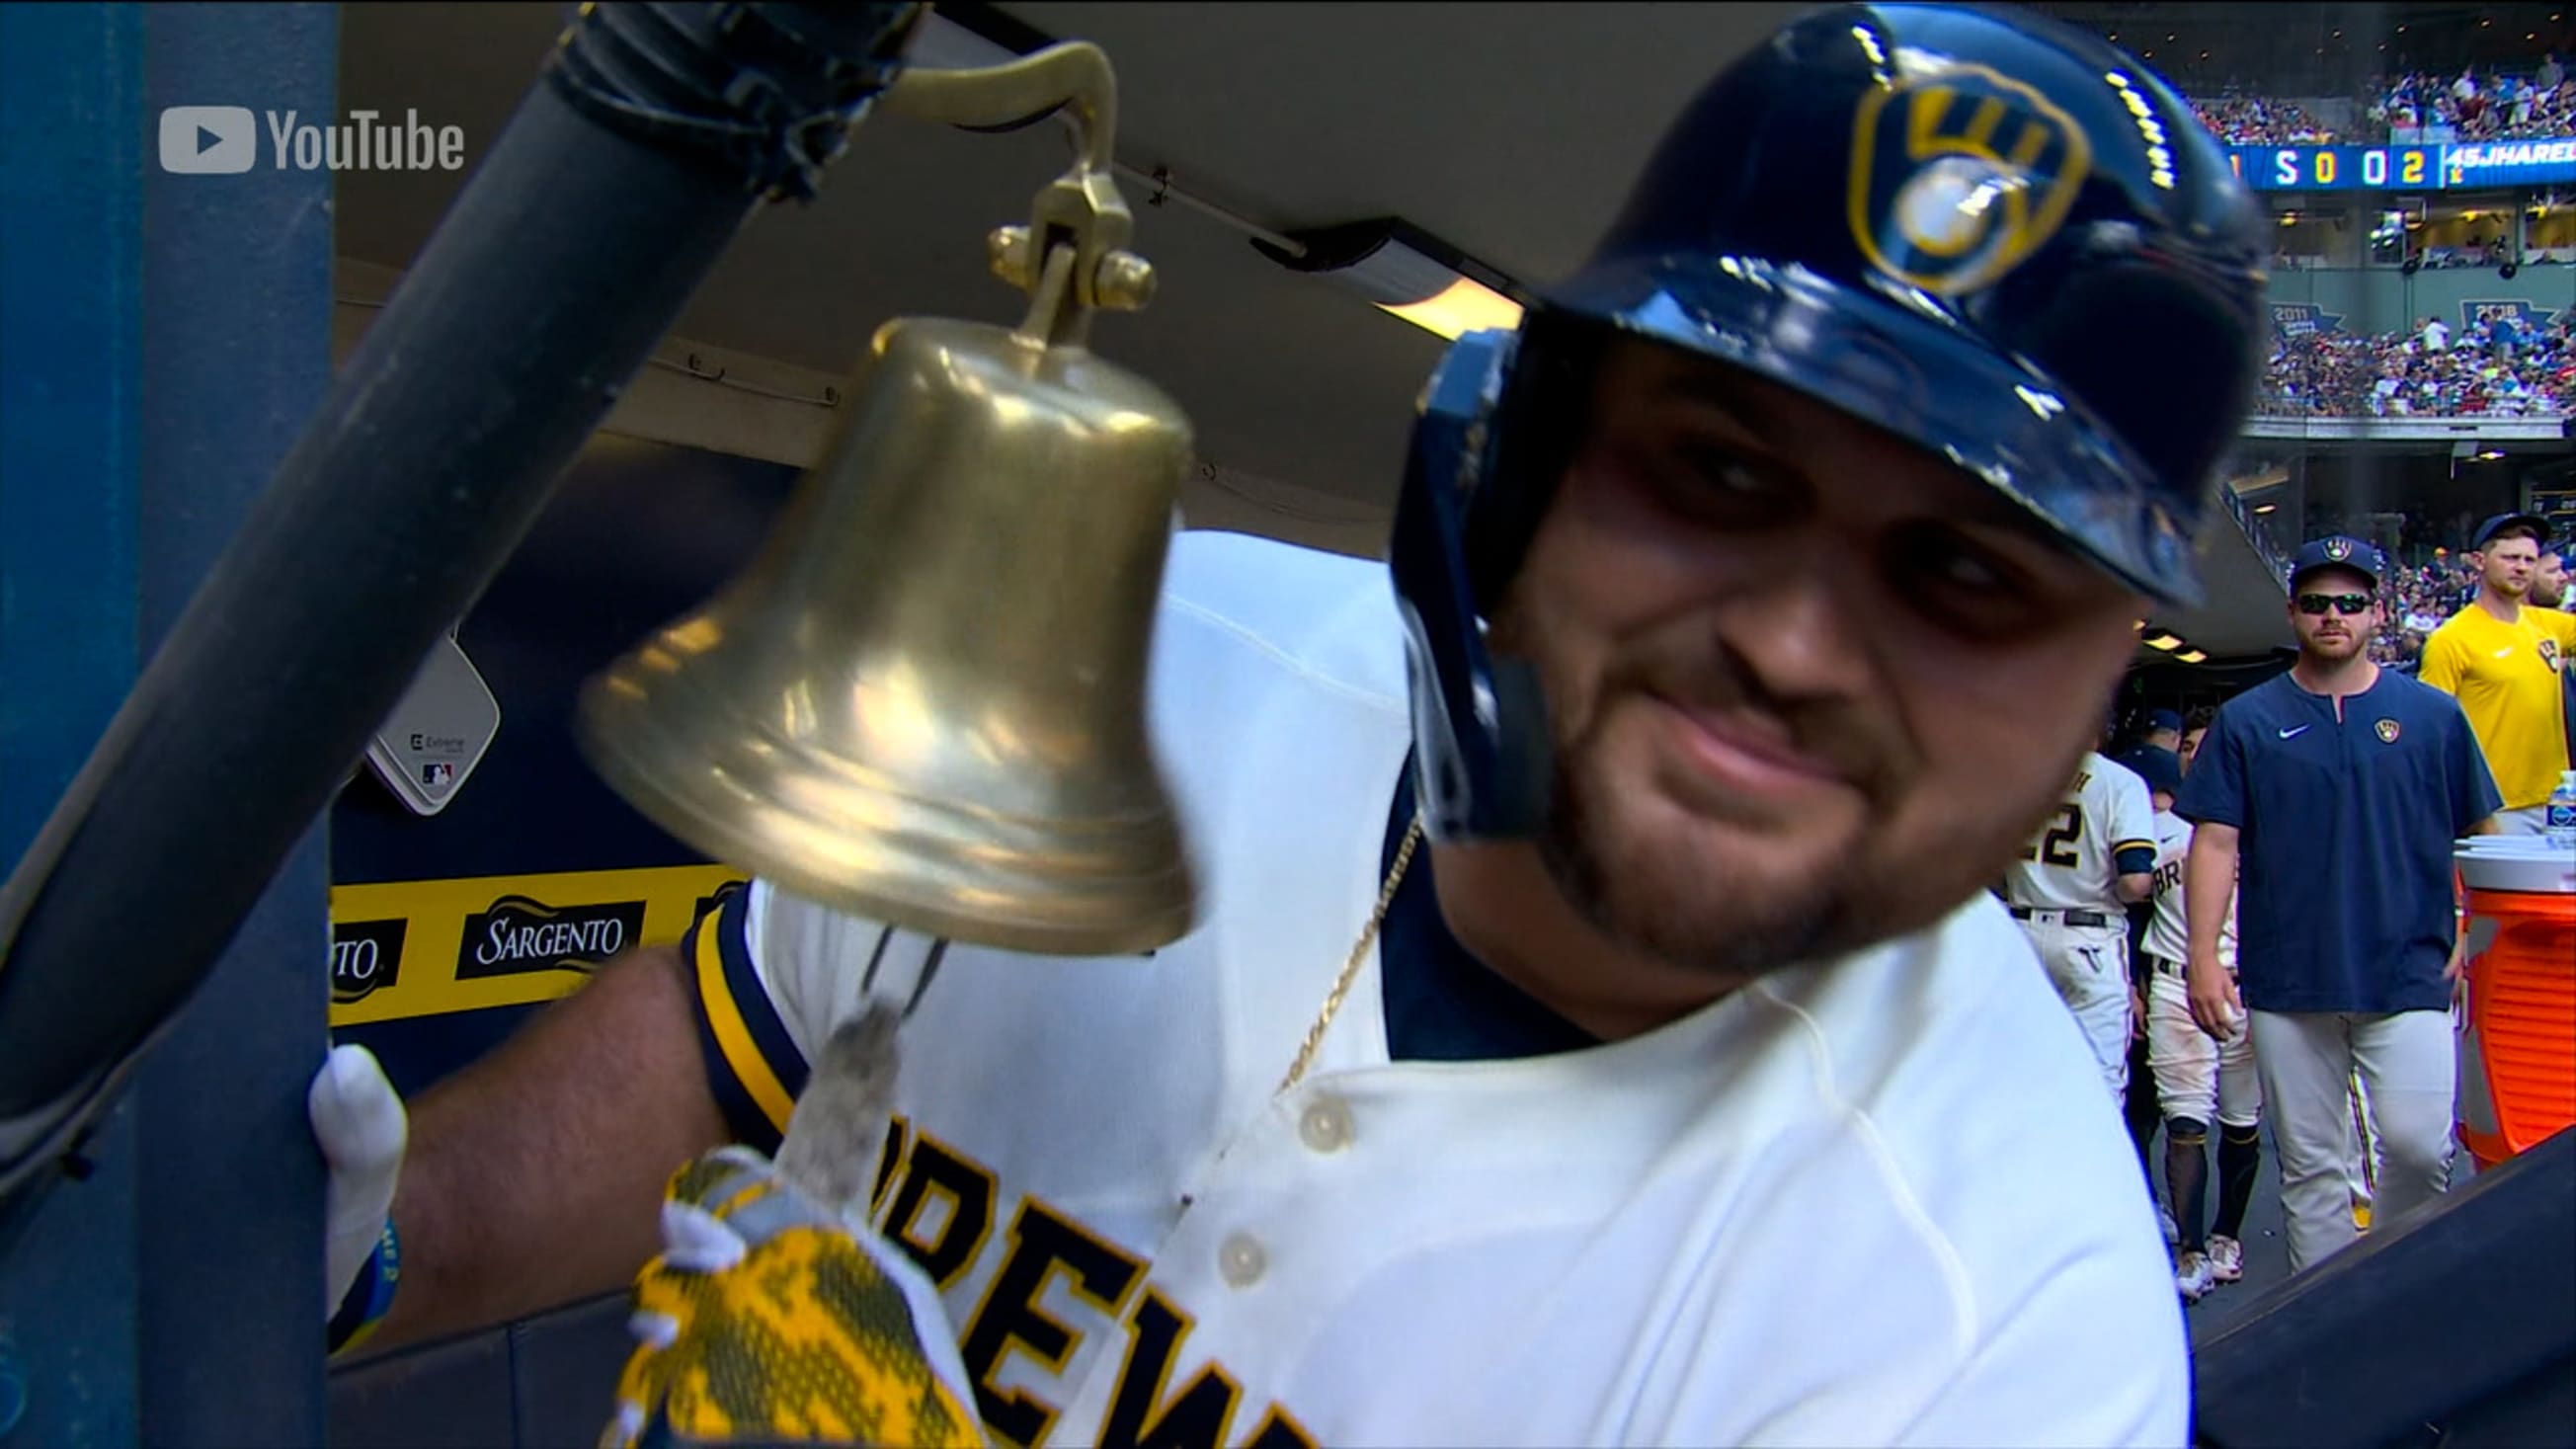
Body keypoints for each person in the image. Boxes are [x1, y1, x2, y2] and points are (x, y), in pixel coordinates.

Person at [307, 8, 2273, 1443]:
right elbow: (725, 1059)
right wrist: (346, 1257)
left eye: (1962, 580)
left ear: (2094, 682)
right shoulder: (1142, 665)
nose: (1790, 643)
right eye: (1719, 475)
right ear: (1516, 471)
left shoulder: (1996, 1334)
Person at [2175, 537, 2501, 1276]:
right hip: (2291, 975)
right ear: (2293, 612)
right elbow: (2215, 842)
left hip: (2411, 967)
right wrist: (2202, 956)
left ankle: (2393, 1288)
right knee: (2313, 1169)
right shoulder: (2249, 719)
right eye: (2317, 602)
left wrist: (2471, 930)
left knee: (2422, 1146)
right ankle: (2328, 1328)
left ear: (2378, 613)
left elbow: (2482, 832)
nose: (2333, 615)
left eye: (2350, 602)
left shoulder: (2433, 715)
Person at [2131, 745, 2261, 1304]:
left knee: (2240, 1118)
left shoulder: (2265, 824)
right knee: (2185, 1120)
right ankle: (2191, 1249)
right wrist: (2133, 982)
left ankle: (2226, 1234)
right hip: (2173, 976)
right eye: (2193, 749)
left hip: (2246, 979)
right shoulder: (2158, 829)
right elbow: (2133, 905)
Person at [2002, 749, 2157, 1100]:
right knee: (2099, 1088)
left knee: (2022, 1082)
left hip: (2021, 932)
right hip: (2089, 935)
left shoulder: (2015, 777)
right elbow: (2135, 882)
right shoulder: (2119, 781)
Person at [2418, 514, 2576, 834]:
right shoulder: (2452, 639)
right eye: (2510, 558)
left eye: (2529, 560)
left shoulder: (2549, 626)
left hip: (2557, 803)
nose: (2521, 567)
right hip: (2496, 809)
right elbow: (2429, 733)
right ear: (2479, 561)